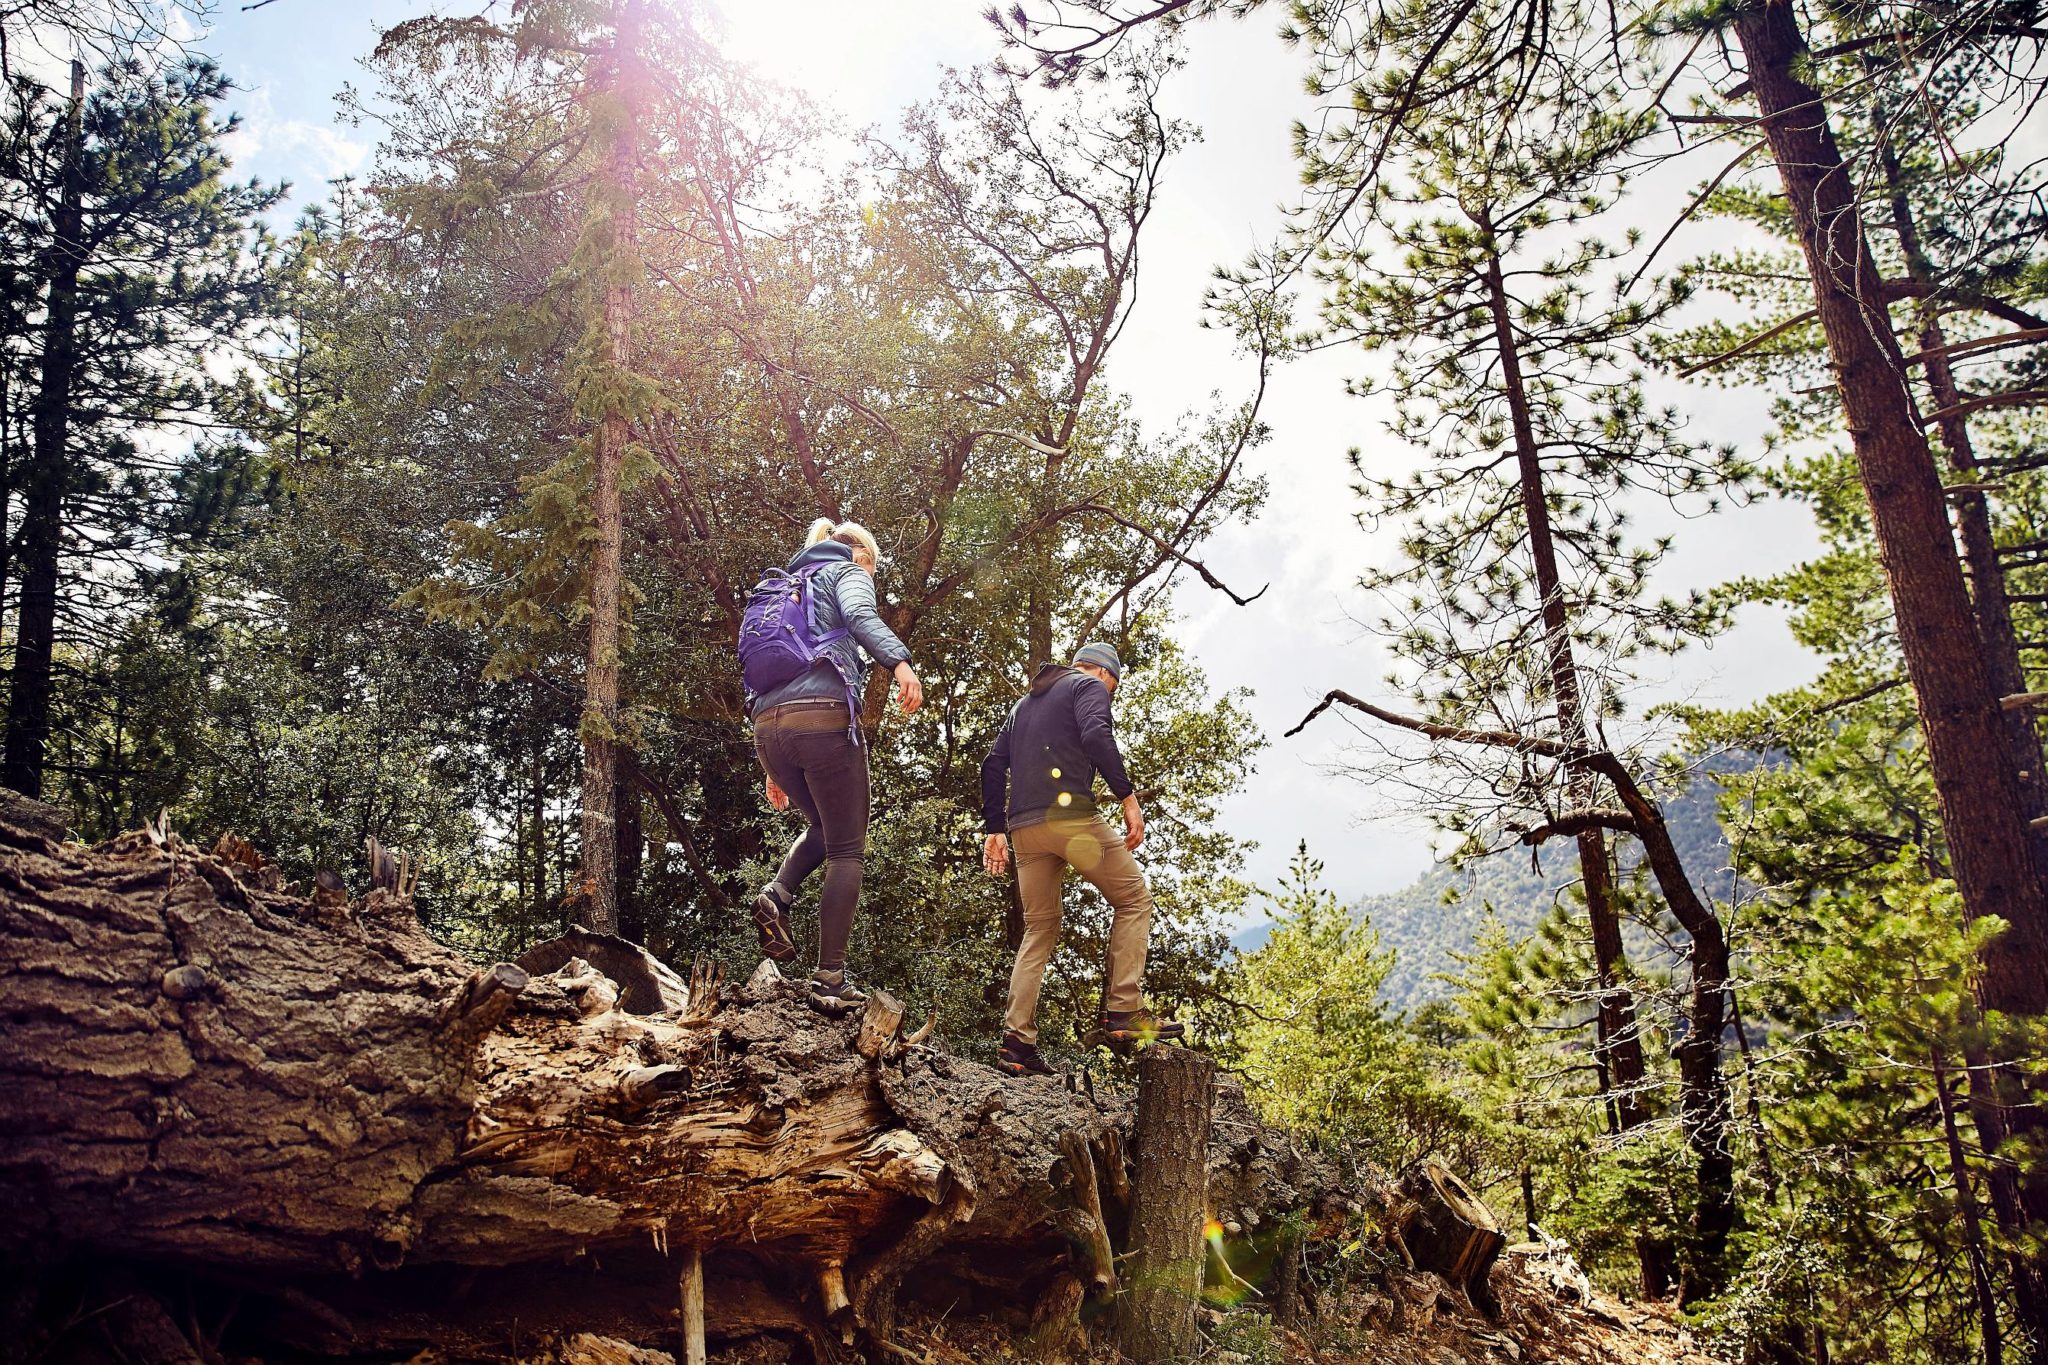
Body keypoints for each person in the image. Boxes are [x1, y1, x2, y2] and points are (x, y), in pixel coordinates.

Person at [980, 641, 1183, 1076]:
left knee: (1038, 930)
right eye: (1113, 689)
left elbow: (992, 765)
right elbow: (1095, 735)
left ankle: (1017, 1043)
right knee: (1133, 899)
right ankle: (1124, 1010)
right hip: (1069, 820)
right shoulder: (1088, 688)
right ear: (1105, 675)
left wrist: (994, 827)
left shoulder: (1022, 705)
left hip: (1023, 829)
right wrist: (1129, 798)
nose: (1108, 697)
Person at [748, 518, 923, 1013]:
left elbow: (766, 668)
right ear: (861, 555)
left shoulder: (787, 584)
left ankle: (776, 896)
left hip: (768, 728)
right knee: (848, 847)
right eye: (871, 569)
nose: (870, 579)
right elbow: (863, 618)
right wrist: (901, 663)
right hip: (822, 719)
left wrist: (771, 764)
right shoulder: (847, 572)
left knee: (824, 828)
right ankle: (830, 977)